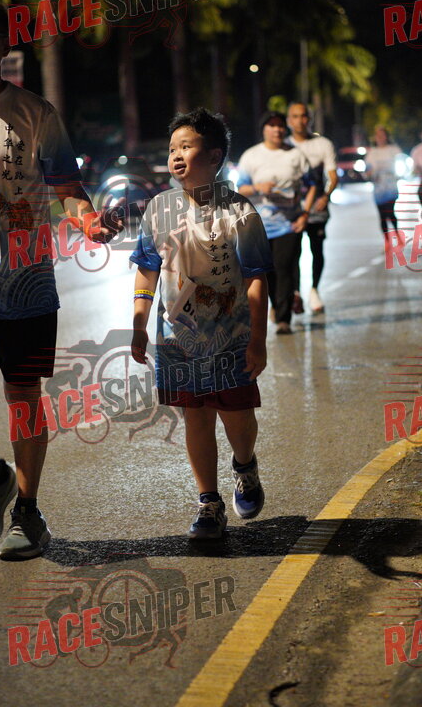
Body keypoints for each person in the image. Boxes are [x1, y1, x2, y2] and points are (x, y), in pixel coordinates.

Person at [0, 0, 120, 560]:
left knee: (22, 397)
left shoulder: (35, 112)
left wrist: (90, 223)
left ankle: (27, 510)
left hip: (27, 282)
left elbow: (68, 188)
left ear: (3, 44)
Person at [130, 108, 272, 540]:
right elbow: (147, 269)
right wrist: (138, 323)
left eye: (186, 147)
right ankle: (209, 503)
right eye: (172, 148)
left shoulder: (240, 211)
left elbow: (256, 278)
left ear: (214, 157)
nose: (176, 155)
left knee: (237, 417)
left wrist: (258, 340)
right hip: (178, 339)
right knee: (195, 417)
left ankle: (244, 466)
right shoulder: (158, 209)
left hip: (232, 337)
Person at [237, 111, 315, 334]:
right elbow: (240, 188)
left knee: (284, 269)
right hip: (258, 227)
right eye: (272, 125)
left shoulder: (296, 155)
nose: (277, 129)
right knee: (266, 273)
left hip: (288, 225)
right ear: (264, 129)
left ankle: (283, 319)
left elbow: (312, 185)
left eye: (280, 125)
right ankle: (275, 305)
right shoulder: (251, 156)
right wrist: (257, 188)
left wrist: (305, 214)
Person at [286, 102, 338, 313]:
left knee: (317, 250)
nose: (300, 120)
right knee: (293, 253)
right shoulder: (283, 145)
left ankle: (314, 290)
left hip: (317, 209)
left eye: (304, 116)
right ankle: (296, 293)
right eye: (295, 116)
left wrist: (326, 196)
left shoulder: (323, 144)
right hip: (291, 210)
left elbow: (332, 176)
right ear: (289, 120)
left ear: (310, 119)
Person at [365, 126, 403, 238]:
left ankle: (398, 236)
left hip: (391, 188)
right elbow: (367, 172)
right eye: (378, 135)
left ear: (386, 136)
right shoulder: (372, 153)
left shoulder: (394, 150)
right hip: (378, 190)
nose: (380, 138)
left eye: (382, 135)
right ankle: (387, 240)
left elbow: (402, 166)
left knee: (390, 212)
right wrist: (370, 173)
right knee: (382, 216)